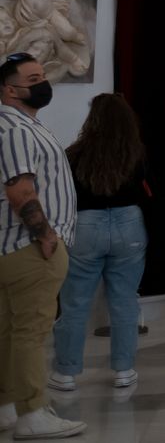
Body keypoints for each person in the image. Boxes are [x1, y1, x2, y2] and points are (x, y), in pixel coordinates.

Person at [0, 51, 85, 439]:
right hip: (29, 248)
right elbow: (20, 190)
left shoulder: (21, 124)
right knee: (30, 333)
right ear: (9, 89)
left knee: (10, 332)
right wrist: (45, 235)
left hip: (16, 248)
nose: (42, 84)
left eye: (41, 76)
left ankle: (7, 406)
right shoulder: (15, 129)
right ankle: (32, 412)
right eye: (32, 79)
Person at [48, 94, 148, 393]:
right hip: (129, 224)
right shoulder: (137, 152)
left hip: (86, 225)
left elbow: (66, 194)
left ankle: (65, 373)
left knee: (74, 303)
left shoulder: (75, 153)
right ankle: (124, 370)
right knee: (125, 300)